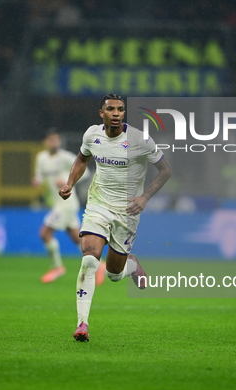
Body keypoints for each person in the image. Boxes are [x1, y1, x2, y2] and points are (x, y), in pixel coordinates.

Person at [59, 93, 172, 342]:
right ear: (102, 113)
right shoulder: (92, 135)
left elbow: (165, 170)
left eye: (120, 109)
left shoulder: (139, 139)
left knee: (113, 274)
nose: (116, 113)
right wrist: (69, 183)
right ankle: (82, 324)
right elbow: (82, 158)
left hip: (126, 212)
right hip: (98, 204)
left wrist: (144, 198)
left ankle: (131, 264)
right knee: (89, 260)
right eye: (111, 109)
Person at [33, 129, 104, 284]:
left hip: (66, 203)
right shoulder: (41, 158)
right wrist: (37, 180)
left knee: (45, 233)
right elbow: (39, 174)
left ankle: (57, 267)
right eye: (51, 140)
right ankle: (100, 265)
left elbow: (84, 172)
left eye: (56, 140)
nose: (54, 143)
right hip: (57, 203)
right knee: (76, 239)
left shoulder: (66, 157)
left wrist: (68, 181)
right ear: (45, 142)